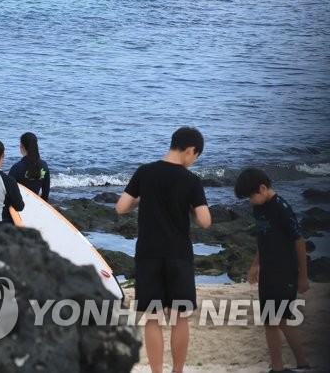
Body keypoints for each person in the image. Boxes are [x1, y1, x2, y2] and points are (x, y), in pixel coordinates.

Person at [115, 127, 212, 373]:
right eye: (195, 157)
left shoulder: (145, 172)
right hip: (179, 254)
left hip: (148, 253)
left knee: (153, 317)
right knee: (179, 316)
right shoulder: (191, 180)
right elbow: (205, 220)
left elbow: (121, 207)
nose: (193, 161)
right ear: (191, 150)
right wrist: (190, 206)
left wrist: (142, 198)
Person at [233, 168, 310, 373]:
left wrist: (303, 276)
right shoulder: (259, 208)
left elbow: (299, 241)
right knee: (269, 319)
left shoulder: (281, 207)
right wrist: (255, 265)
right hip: (267, 270)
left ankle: (302, 363)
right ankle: (277, 367)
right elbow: (263, 238)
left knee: (281, 319)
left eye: (251, 196)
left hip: (285, 271)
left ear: (263, 188)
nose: (250, 200)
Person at [8, 132, 50, 201]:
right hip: (35, 203)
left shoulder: (17, 168)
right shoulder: (44, 165)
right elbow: (45, 193)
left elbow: (9, 191)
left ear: (21, 146)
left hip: (19, 205)